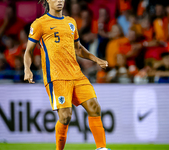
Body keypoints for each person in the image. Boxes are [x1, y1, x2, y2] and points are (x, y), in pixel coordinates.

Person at [23, 1, 110, 150]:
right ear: (47, 1)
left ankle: (101, 148)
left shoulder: (71, 22)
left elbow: (78, 48)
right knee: (65, 116)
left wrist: (96, 59)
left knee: (94, 107)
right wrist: (27, 69)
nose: (59, 1)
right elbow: (28, 50)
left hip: (77, 74)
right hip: (56, 77)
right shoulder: (39, 24)